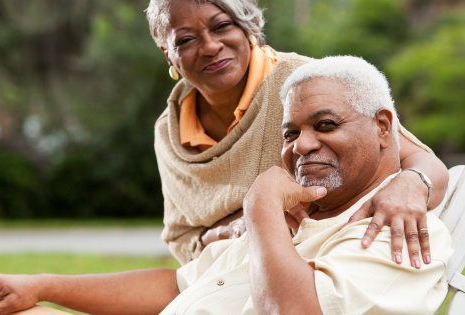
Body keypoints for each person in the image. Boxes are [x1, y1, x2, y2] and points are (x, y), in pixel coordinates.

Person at [0, 56, 453, 315]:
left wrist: (259, 206)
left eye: (325, 125)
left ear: (385, 128)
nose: (302, 146)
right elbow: (177, 285)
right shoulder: (301, 219)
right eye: (290, 133)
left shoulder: (395, 233)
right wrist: (41, 286)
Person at [148, 0, 449, 266]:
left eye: (223, 25)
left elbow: (422, 160)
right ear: (168, 55)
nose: (211, 46)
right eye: (186, 40)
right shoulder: (169, 130)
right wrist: (225, 232)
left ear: (246, 27)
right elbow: (181, 238)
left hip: (314, 263)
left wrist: (412, 183)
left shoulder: (305, 86)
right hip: (227, 274)